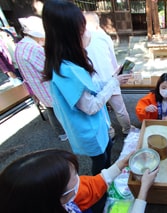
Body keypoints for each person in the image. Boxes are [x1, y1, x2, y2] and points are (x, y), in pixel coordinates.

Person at [42, 0, 131, 192]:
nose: (86, 33)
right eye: (81, 30)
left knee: (106, 155)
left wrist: (112, 79)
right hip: (90, 132)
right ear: (68, 35)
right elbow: (90, 106)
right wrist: (113, 83)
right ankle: (99, 191)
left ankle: (104, 182)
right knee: (100, 163)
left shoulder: (68, 60)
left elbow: (90, 87)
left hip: (97, 128)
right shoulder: (65, 70)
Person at [0, 149, 158, 213]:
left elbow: (92, 185)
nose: (80, 179)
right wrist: (143, 191)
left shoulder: (62, 200)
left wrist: (120, 164)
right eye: (73, 178)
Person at [15, 16, 67, 142]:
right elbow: (49, 68)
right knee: (57, 109)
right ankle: (64, 132)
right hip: (46, 85)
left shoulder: (20, 45)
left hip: (36, 85)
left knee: (50, 108)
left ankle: (61, 133)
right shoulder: (33, 49)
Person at [84, 11, 133, 137]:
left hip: (92, 81)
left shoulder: (79, 40)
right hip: (110, 78)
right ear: (97, 24)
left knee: (100, 111)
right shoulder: (104, 37)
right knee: (120, 109)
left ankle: (109, 132)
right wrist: (118, 74)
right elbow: (113, 60)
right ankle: (127, 129)